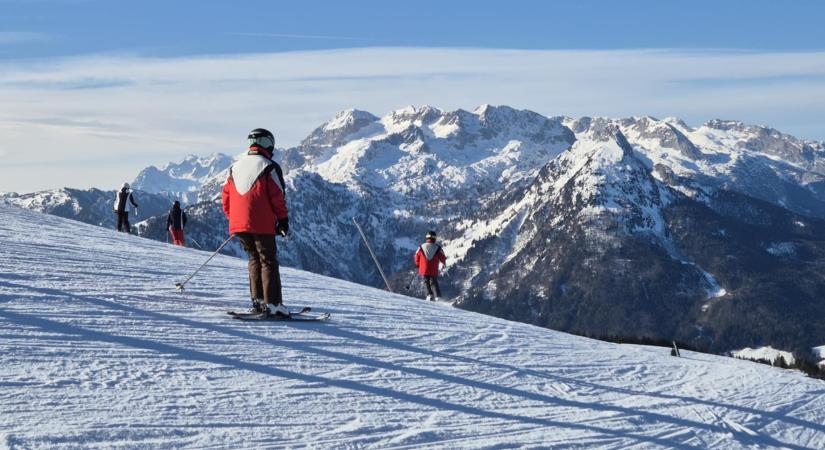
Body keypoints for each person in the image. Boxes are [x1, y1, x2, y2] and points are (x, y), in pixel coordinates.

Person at [222, 128, 290, 317]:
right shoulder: (269, 166)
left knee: (254, 259)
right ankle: (273, 304)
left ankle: (258, 301)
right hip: (261, 223)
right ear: (267, 144)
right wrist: (283, 221)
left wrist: (235, 219)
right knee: (268, 260)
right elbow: (277, 197)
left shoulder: (234, 167)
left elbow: (226, 198)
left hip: (239, 223)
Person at [414, 230, 447, 301]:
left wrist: (417, 264)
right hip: (433, 269)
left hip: (423, 268)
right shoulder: (437, 248)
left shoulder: (421, 247)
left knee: (426, 281)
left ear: (427, 238)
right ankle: (437, 296)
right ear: (434, 238)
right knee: (434, 282)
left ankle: (429, 295)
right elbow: (443, 257)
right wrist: (444, 262)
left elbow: (416, 256)